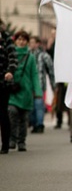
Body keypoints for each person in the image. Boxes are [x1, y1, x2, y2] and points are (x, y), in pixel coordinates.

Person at [8, 31, 42, 152]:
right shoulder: (10, 55)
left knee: (24, 119)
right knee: (12, 113)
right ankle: (12, 139)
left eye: (24, 40)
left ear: (27, 42)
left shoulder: (30, 57)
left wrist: (38, 91)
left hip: (26, 92)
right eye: (19, 39)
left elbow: (34, 74)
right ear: (15, 41)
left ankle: (21, 142)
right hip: (13, 91)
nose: (21, 42)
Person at [29, 36, 55, 133]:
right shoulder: (26, 54)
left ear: (38, 44)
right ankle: (33, 123)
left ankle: (40, 124)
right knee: (30, 106)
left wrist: (53, 85)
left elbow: (51, 71)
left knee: (38, 105)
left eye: (33, 42)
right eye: (30, 42)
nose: (31, 45)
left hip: (40, 85)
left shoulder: (44, 56)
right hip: (28, 85)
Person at [0, 19, 18, 154]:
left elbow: (13, 58)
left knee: (3, 113)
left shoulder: (6, 39)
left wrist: (10, 71)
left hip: (2, 82)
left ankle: (5, 144)